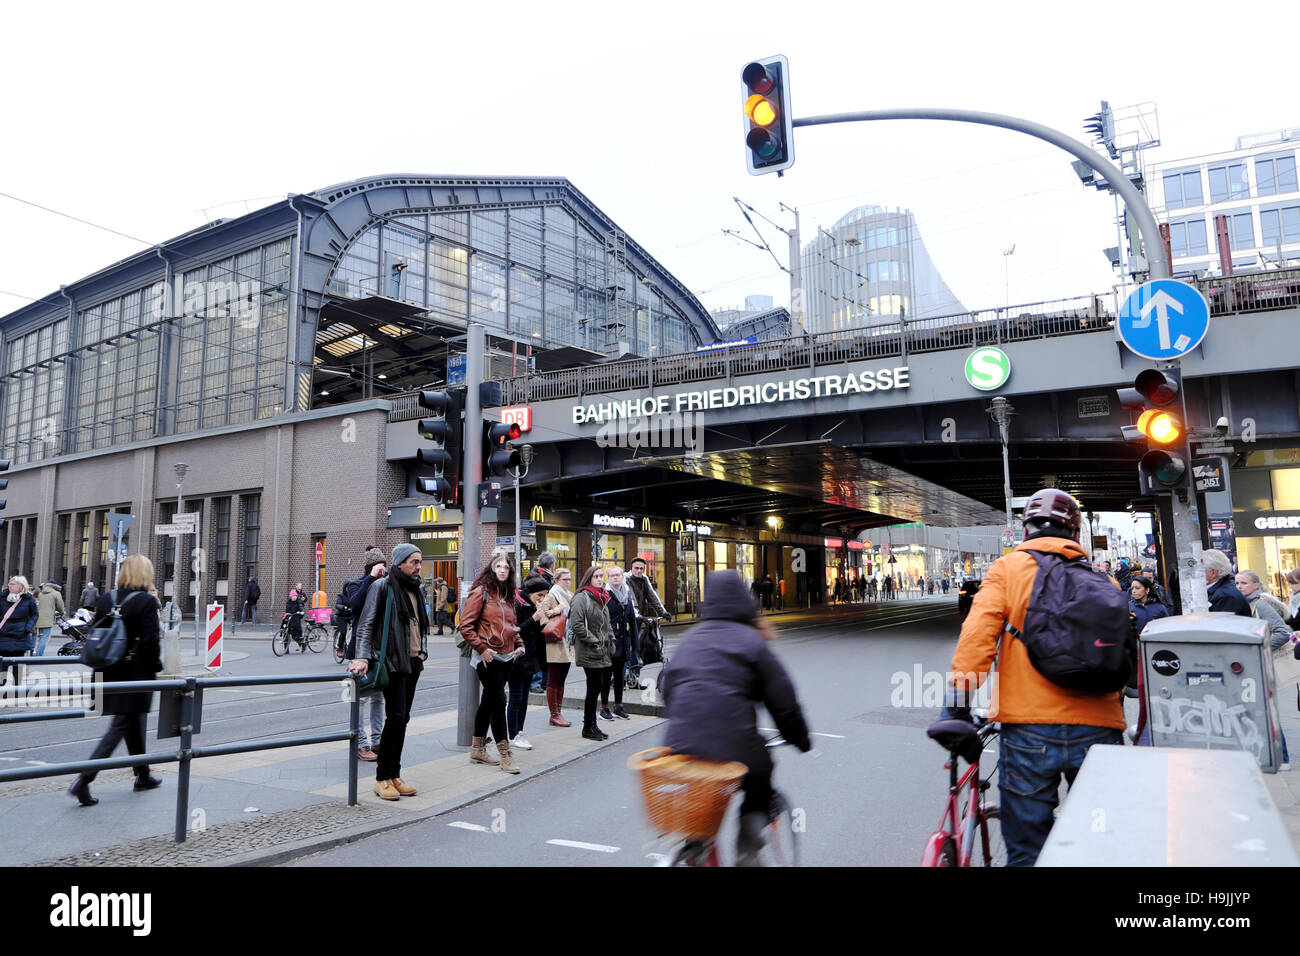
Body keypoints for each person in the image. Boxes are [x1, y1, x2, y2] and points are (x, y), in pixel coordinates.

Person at [945, 488, 1130, 867]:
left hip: (1028, 729)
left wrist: (957, 705)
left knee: (1028, 851)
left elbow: (977, 637)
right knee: (1102, 846)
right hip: (1100, 728)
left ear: (1026, 529)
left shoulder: (1008, 570)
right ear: (1075, 533)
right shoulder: (1104, 580)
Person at [661, 570, 812, 866]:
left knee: (698, 795)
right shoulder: (752, 643)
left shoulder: (690, 640)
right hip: (736, 747)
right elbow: (784, 704)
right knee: (760, 773)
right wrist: (800, 739)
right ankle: (747, 841)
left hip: (680, 747)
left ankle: (693, 842)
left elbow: (668, 690)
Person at [68, 556, 163, 806]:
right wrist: (156, 668)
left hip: (106, 670)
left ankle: (143, 775)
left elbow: (97, 631)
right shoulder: (146, 601)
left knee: (131, 722)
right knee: (122, 724)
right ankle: (84, 779)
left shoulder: (107, 598)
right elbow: (152, 641)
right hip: (135, 673)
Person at [349, 544, 429, 800]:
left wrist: (423, 651)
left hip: (413, 662)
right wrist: (362, 656)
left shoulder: (416, 588)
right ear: (400, 562)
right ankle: (382, 777)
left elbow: (421, 624)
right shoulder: (382, 586)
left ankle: (394, 775)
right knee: (395, 718)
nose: (418, 567)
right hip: (393, 662)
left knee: (402, 719)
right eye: (414, 562)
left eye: (419, 562)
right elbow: (366, 624)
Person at [460, 552, 523, 773]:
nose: (503, 570)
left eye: (506, 567)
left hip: (507, 656)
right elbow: (465, 625)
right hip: (487, 657)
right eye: (499, 566)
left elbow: (512, 625)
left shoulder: (508, 595)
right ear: (492, 569)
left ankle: (477, 749)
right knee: (498, 702)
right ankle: (505, 754)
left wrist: (519, 644)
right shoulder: (481, 592)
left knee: (488, 701)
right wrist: (481, 648)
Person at [1236, 569, 1293, 770]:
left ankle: (1283, 758)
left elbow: (1282, 632)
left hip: (1259, 665)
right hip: (1250, 666)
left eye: (1244, 583)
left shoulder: (1260, 604)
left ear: (1256, 585)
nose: (1239, 587)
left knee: (1266, 710)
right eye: (1237, 583)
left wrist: (1260, 649)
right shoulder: (1244, 604)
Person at [346, 547, 388, 762]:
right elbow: (354, 605)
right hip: (360, 649)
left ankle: (377, 741)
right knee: (360, 699)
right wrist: (370, 578)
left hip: (378, 650)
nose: (383, 570)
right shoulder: (355, 584)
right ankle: (360, 743)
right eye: (379, 566)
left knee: (378, 698)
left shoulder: (386, 585)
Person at [568, 565, 614, 741]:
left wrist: (611, 640)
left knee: (597, 687)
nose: (600, 579)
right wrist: (594, 640)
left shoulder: (602, 597)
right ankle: (588, 727)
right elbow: (577, 624)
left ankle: (593, 725)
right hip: (590, 649)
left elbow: (607, 623)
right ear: (589, 578)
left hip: (603, 649)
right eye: (596, 576)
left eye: (602, 576)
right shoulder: (582, 598)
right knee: (593, 688)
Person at [511, 576, 552, 751]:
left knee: (524, 699)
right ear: (529, 593)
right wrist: (534, 618)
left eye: (545, 595)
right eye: (539, 595)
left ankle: (519, 732)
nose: (542, 599)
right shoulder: (518, 605)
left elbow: (537, 632)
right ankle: (513, 734)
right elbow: (516, 630)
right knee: (516, 697)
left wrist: (544, 618)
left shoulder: (533, 606)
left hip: (530, 659)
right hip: (517, 658)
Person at [540, 568, 574, 726]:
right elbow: (541, 614)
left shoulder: (569, 595)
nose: (568, 582)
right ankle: (554, 714)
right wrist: (556, 610)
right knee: (553, 679)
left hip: (567, 641)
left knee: (562, 679)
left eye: (569, 579)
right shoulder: (552, 595)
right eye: (564, 579)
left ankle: (558, 713)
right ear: (556, 580)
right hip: (554, 642)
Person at [627, 558, 667, 687]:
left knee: (637, 648)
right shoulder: (626, 580)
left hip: (637, 620)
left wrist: (663, 612)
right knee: (628, 648)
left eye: (641, 568)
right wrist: (638, 615)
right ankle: (614, 678)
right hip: (626, 619)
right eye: (636, 568)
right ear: (631, 568)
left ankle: (634, 678)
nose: (639, 571)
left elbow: (652, 596)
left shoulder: (644, 579)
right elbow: (631, 599)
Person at [602, 565, 635, 720]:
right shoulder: (604, 594)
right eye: (612, 575)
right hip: (609, 641)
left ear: (622, 577)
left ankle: (618, 707)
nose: (615, 577)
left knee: (620, 676)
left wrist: (635, 644)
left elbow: (632, 619)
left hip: (623, 641)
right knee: (606, 676)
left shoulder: (626, 593)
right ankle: (604, 708)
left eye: (618, 575)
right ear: (608, 578)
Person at [0, 576, 38, 684]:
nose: (10, 586)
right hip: (3, 635)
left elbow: (34, 614)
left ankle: (17, 688)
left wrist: (28, 627)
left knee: (18, 666)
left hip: (20, 636)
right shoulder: (3, 597)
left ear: (21, 586)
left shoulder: (28, 598)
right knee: (2, 666)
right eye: (9, 584)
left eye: (13, 584)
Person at [1203, 550, 1251, 616]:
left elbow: (1221, 621)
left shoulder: (1226, 596)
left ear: (1213, 573)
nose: (1196, 574)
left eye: (1200, 570)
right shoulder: (1221, 591)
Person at [35, 578, 65, 657]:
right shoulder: (56, 593)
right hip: (48, 618)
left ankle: (36, 652)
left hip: (38, 618)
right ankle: (38, 655)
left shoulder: (41, 593)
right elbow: (60, 607)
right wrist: (61, 612)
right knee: (45, 637)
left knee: (40, 637)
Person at [281, 587, 305, 651]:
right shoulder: (288, 602)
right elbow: (287, 610)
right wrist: (287, 614)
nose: (294, 597)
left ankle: (301, 643)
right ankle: (286, 649)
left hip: (296, 617)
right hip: (289, 618)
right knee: (286, 632)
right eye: (293, 596)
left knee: (296, 634)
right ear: (290, 596)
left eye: (295, 596)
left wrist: (302, 611)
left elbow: (301, 607)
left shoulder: (299, 601)